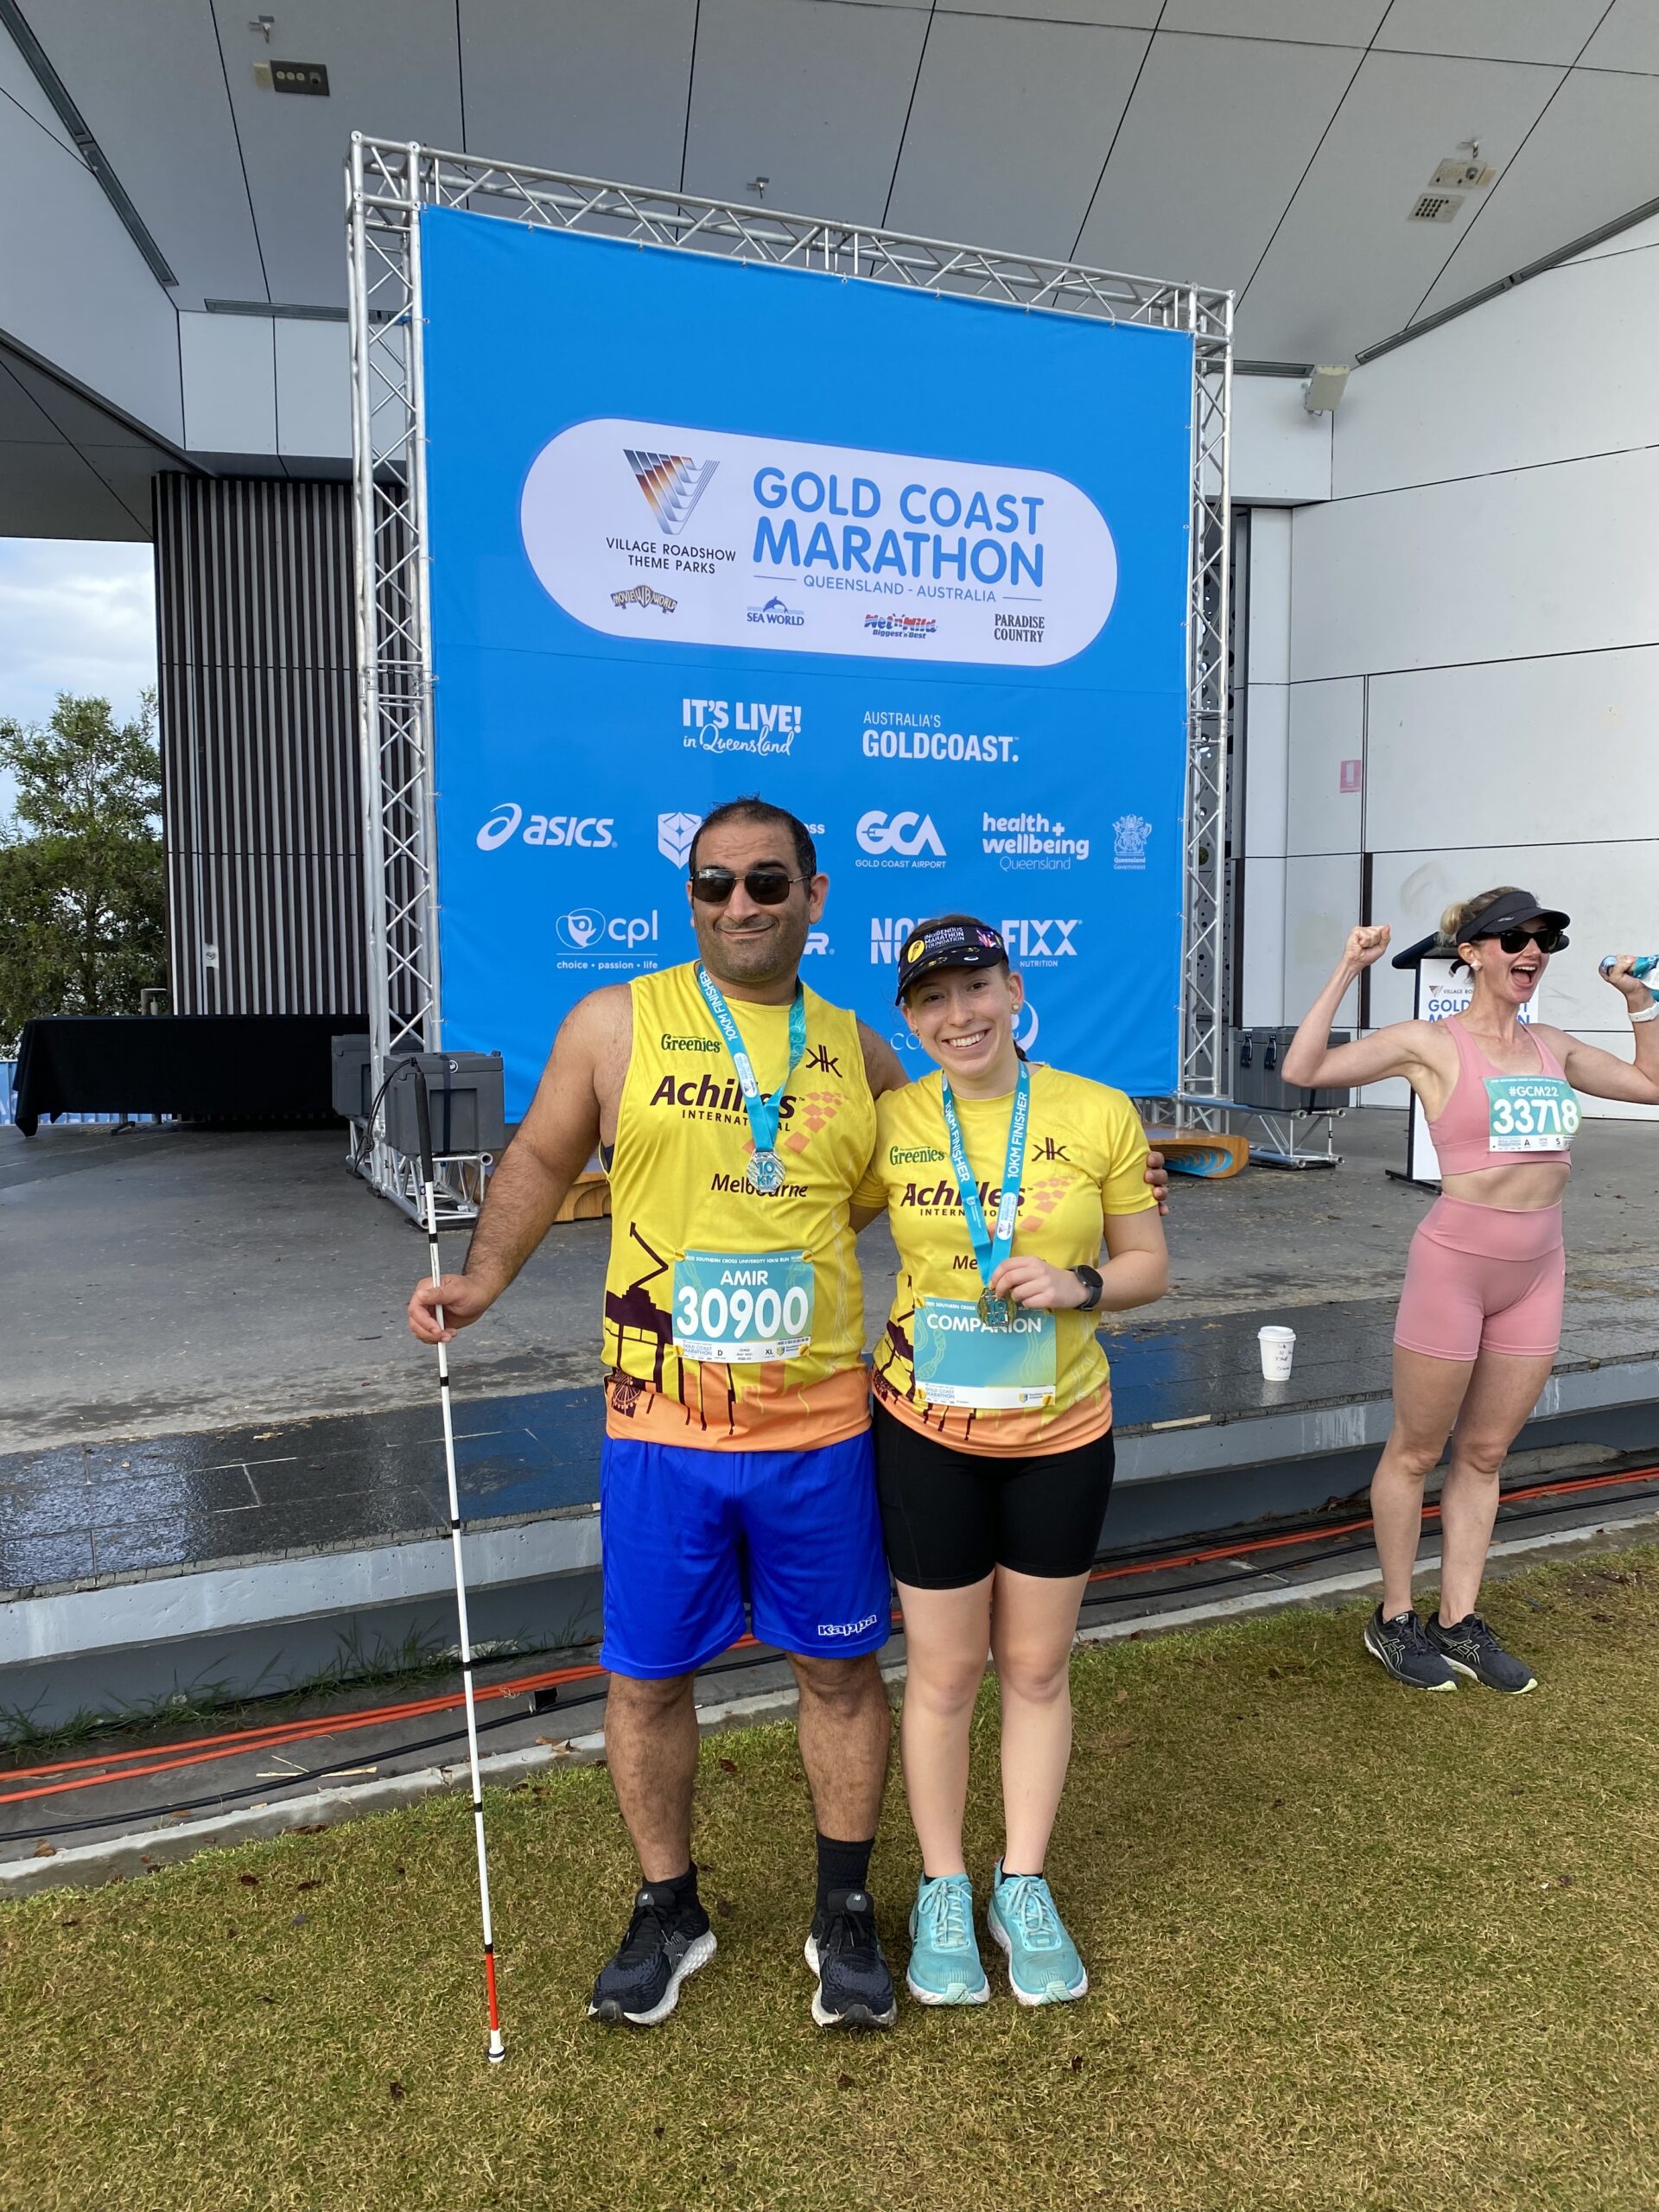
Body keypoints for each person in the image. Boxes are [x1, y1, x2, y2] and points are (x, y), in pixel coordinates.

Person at [410, 798, 907, 2031]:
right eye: (714, 883)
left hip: (818, 1428)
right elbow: (540, 1159)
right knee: (644, 1681)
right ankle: (668, 1907)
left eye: (767, 882)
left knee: (841, 1670)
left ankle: (844, 1908)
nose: (739, 903)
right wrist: (481, 1280)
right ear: (690, 898)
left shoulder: (858, 1049)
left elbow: (923, 1178)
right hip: (659, 1430)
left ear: (814, 896)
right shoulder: (615, 1023)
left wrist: (1108, 1192)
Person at [849, 916, 1168, 2007]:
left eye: (976, 988)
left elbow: (1149, 1262)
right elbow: (806, 1213)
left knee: (1035, 1668)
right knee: (943, 1673)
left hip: (1061, 1432)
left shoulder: (1097, 1110)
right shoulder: (893, 1121)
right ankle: (943, 1885)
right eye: (932, 1000)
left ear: (1014, 988)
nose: (959, 1016)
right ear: (909, 1019)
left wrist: (1081, 1284)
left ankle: (1019, 1882)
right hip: (926, 1432)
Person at [1283, 889, 1659, 1694]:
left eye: (1543, 941)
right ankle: (1393, 1618)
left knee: (1485, 1453)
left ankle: (1458, 1620)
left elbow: (1651, 1084)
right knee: (1417, 1451)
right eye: (1514, 939)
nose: (1532, 953)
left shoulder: (1553, 1046)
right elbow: (1302, 1069)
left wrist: (1639, 1001)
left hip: (1538, 1271)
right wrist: (1348, 968)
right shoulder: (1430, 1043)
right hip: (1454, 1267)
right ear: (1472, 954)